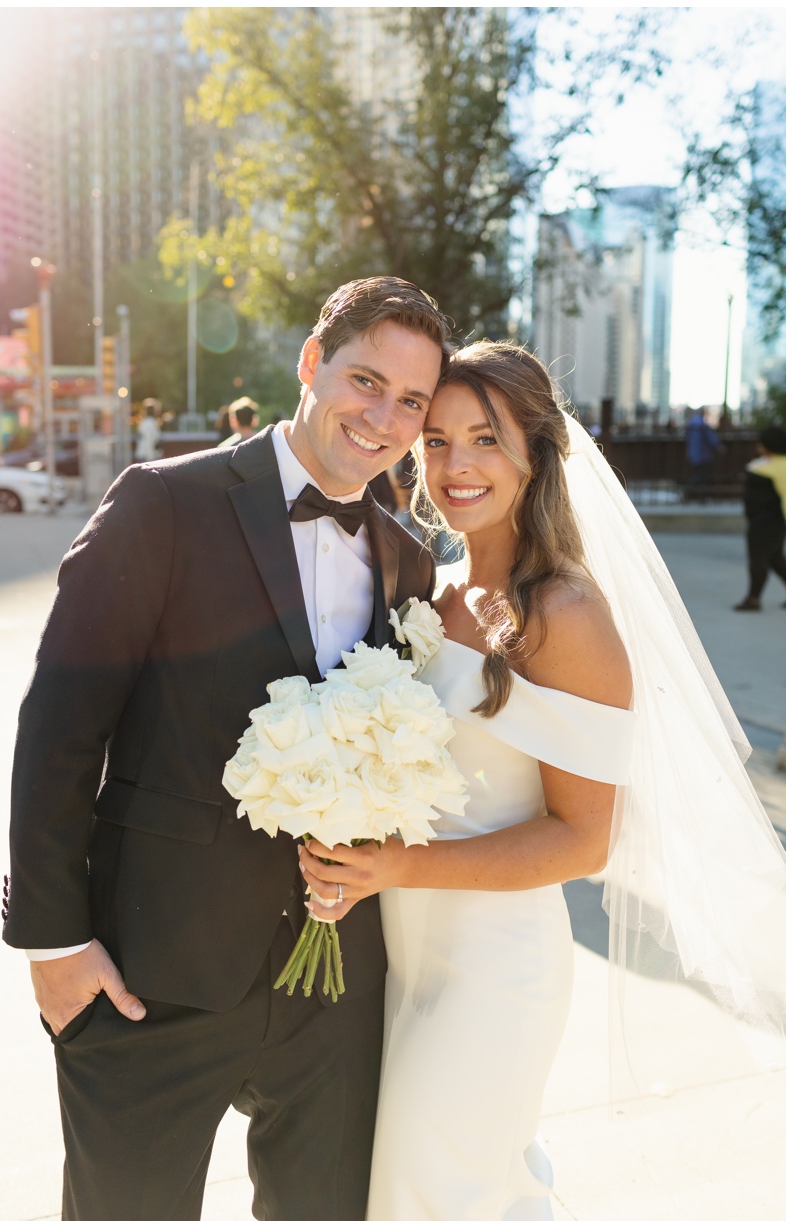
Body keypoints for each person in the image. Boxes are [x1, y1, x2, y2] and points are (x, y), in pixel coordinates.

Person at [298, 342, 784, 1218]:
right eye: (437, 440)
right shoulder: (435, 589)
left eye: (486, 439)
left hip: (493, 970)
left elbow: (583, 838)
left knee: (439, 1191)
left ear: (539, 453)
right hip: (402, 957)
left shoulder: (565, 614)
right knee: (430, 1193)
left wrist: (393, 868)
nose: (456, 465)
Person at [4, 276, 447, 1219]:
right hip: (148, 977)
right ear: (310, 364)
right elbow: (60, 725)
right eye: (365, 381)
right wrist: (54, 943)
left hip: (334, 990)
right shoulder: (163, 504)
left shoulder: (408, 558)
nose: (383, 417)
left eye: (410, 400)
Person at [735, 423, 785, 611]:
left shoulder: (781, 467)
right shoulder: (766, 463)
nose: (758, 447)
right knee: (774, 558)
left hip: (767, 522)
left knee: (759, 559)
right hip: (762, 520)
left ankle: (753, 599)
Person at [685, 406, 722, 496]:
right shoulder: (703, 426)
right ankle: (695, 492)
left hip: (693, 454)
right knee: (702, 476)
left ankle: (694, 492)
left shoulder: (691, 426)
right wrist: (719, 447)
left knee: (699, 474)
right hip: (703, 455)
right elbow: (712, 440)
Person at [133, 399, 163, 463]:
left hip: (144, 456)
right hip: (147, 457)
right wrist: (150, 458)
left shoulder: (144, 422)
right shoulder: (150, 423)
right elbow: (149, 441)